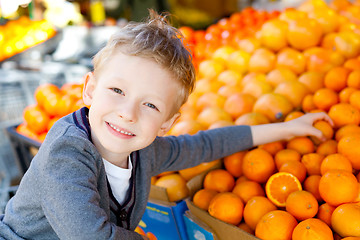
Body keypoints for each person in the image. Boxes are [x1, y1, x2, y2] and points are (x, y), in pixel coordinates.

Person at [0, 10, 333, 240]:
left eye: (150, 105)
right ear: (89, 89)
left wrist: (287, 129)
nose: (128, 113)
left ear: (166, 123)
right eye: (117, 90)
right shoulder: (66, 153)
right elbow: (88, 235)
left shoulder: (144, 152)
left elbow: (206, 145)